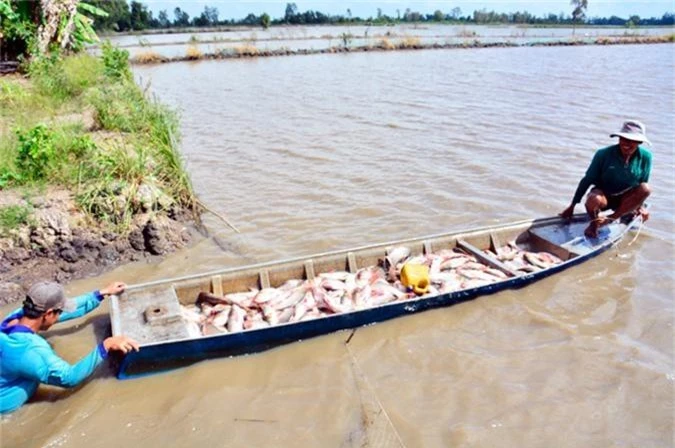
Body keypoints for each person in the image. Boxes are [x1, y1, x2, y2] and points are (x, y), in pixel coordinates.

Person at [0, 281, 139, 414]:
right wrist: (105, 346)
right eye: (59, 312)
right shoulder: (31, 351)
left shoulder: (14, 318)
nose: (60, 315)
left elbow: (64, 312)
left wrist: (100, 294)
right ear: (48, 314)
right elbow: (69, 377)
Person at [560, 120, 652, 238]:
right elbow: (587, 180)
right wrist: (572, 205)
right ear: (618, 138)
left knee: (646, 188)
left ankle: (612, 218)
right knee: (594, 199)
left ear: (639, 142)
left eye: (632, 141)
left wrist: (641, 207)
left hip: (625, 199)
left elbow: (642, 184)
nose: (626, 144)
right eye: (623, 139)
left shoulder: (646, 157)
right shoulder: (603, 154)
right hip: (605, 196)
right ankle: (594, 223)